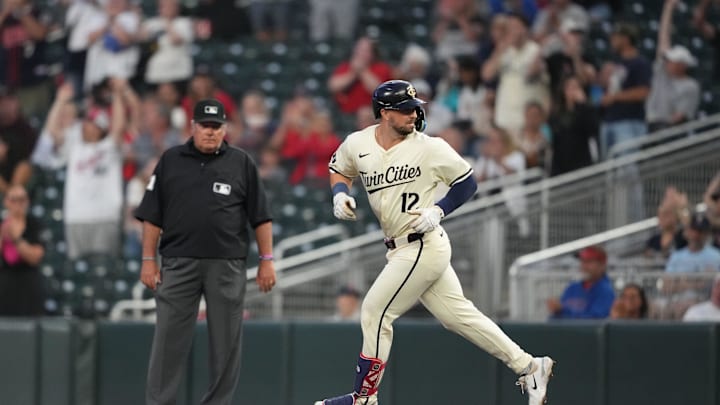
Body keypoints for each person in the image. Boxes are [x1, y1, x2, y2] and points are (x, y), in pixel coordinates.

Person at [316, 80, 554, 405]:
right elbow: (339, 168)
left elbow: (467, 183)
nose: (414, 114)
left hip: (422, 243)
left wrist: (439, 210)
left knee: (375, 312)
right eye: (406, 110)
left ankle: (364, 399)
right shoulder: (358, 143)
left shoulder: (430, 146)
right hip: (400, 246)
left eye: (416, 108)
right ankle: (529, 366)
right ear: (385, 113)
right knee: (458, 316)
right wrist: (340, 194)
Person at [135, 98, 277, 405]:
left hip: (226, 264)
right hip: (178, 262)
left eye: (216, 127)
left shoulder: (241, 162)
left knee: (226, 344)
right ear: (193, 127)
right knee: (167, 341)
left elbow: (261, 217)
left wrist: (267, 261)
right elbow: (151, 215)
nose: (210, 132)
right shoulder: (171, 160)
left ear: (225, 128)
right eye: (205, 126)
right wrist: (148, 260)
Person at [645, 0, 700, 133]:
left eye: (672, 61)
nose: (668, 62)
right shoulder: (662, 74)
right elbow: (663, 39)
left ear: (682, 65)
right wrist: (668, 8)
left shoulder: (690, 86)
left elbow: (682, 115)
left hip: (672, 130)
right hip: (652, 126)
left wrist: (665, 130)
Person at [0, 185, 45, 316]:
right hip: (5, 283)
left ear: (27, 201)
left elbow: (36, 257)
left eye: (22, 199)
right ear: (6, 202)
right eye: (13, 199)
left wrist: (17, 240)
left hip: (29, 283)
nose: (18, 204)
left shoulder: (34, 224)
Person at [547, 245, 615, 319]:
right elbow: (554, 318)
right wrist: (556, 310)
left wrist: (562, 311)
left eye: (589, 261)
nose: (584, 266)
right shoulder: (572, 288)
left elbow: (593, 322)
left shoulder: (606, 291)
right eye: (582, 261)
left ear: (602, 265)